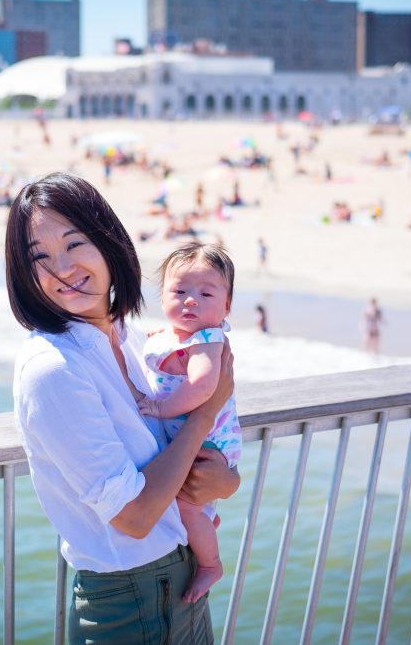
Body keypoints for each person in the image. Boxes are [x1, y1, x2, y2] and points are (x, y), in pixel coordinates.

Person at [6, 172, 239, 643]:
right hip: (127, 596)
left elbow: (182, 461)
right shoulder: (52, 369)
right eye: (39, 257)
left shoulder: (132, 338)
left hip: (181, 576)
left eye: (75, 244)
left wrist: (226, 480)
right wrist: (203, 412)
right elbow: (133, 517)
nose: (62, 268)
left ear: (108, 243)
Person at [135, 243, 242, 603]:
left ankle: (211, 564)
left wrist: (160, 408)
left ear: (225, 306)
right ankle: (205, 525)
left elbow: (202, 386)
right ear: (162, 296)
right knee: (192, 506)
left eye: (205, 293)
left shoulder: (208, 341)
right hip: (192, 437)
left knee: (187, 505)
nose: (190, 300)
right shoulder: (176, 336)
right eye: (179, 291)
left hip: (209, 442)